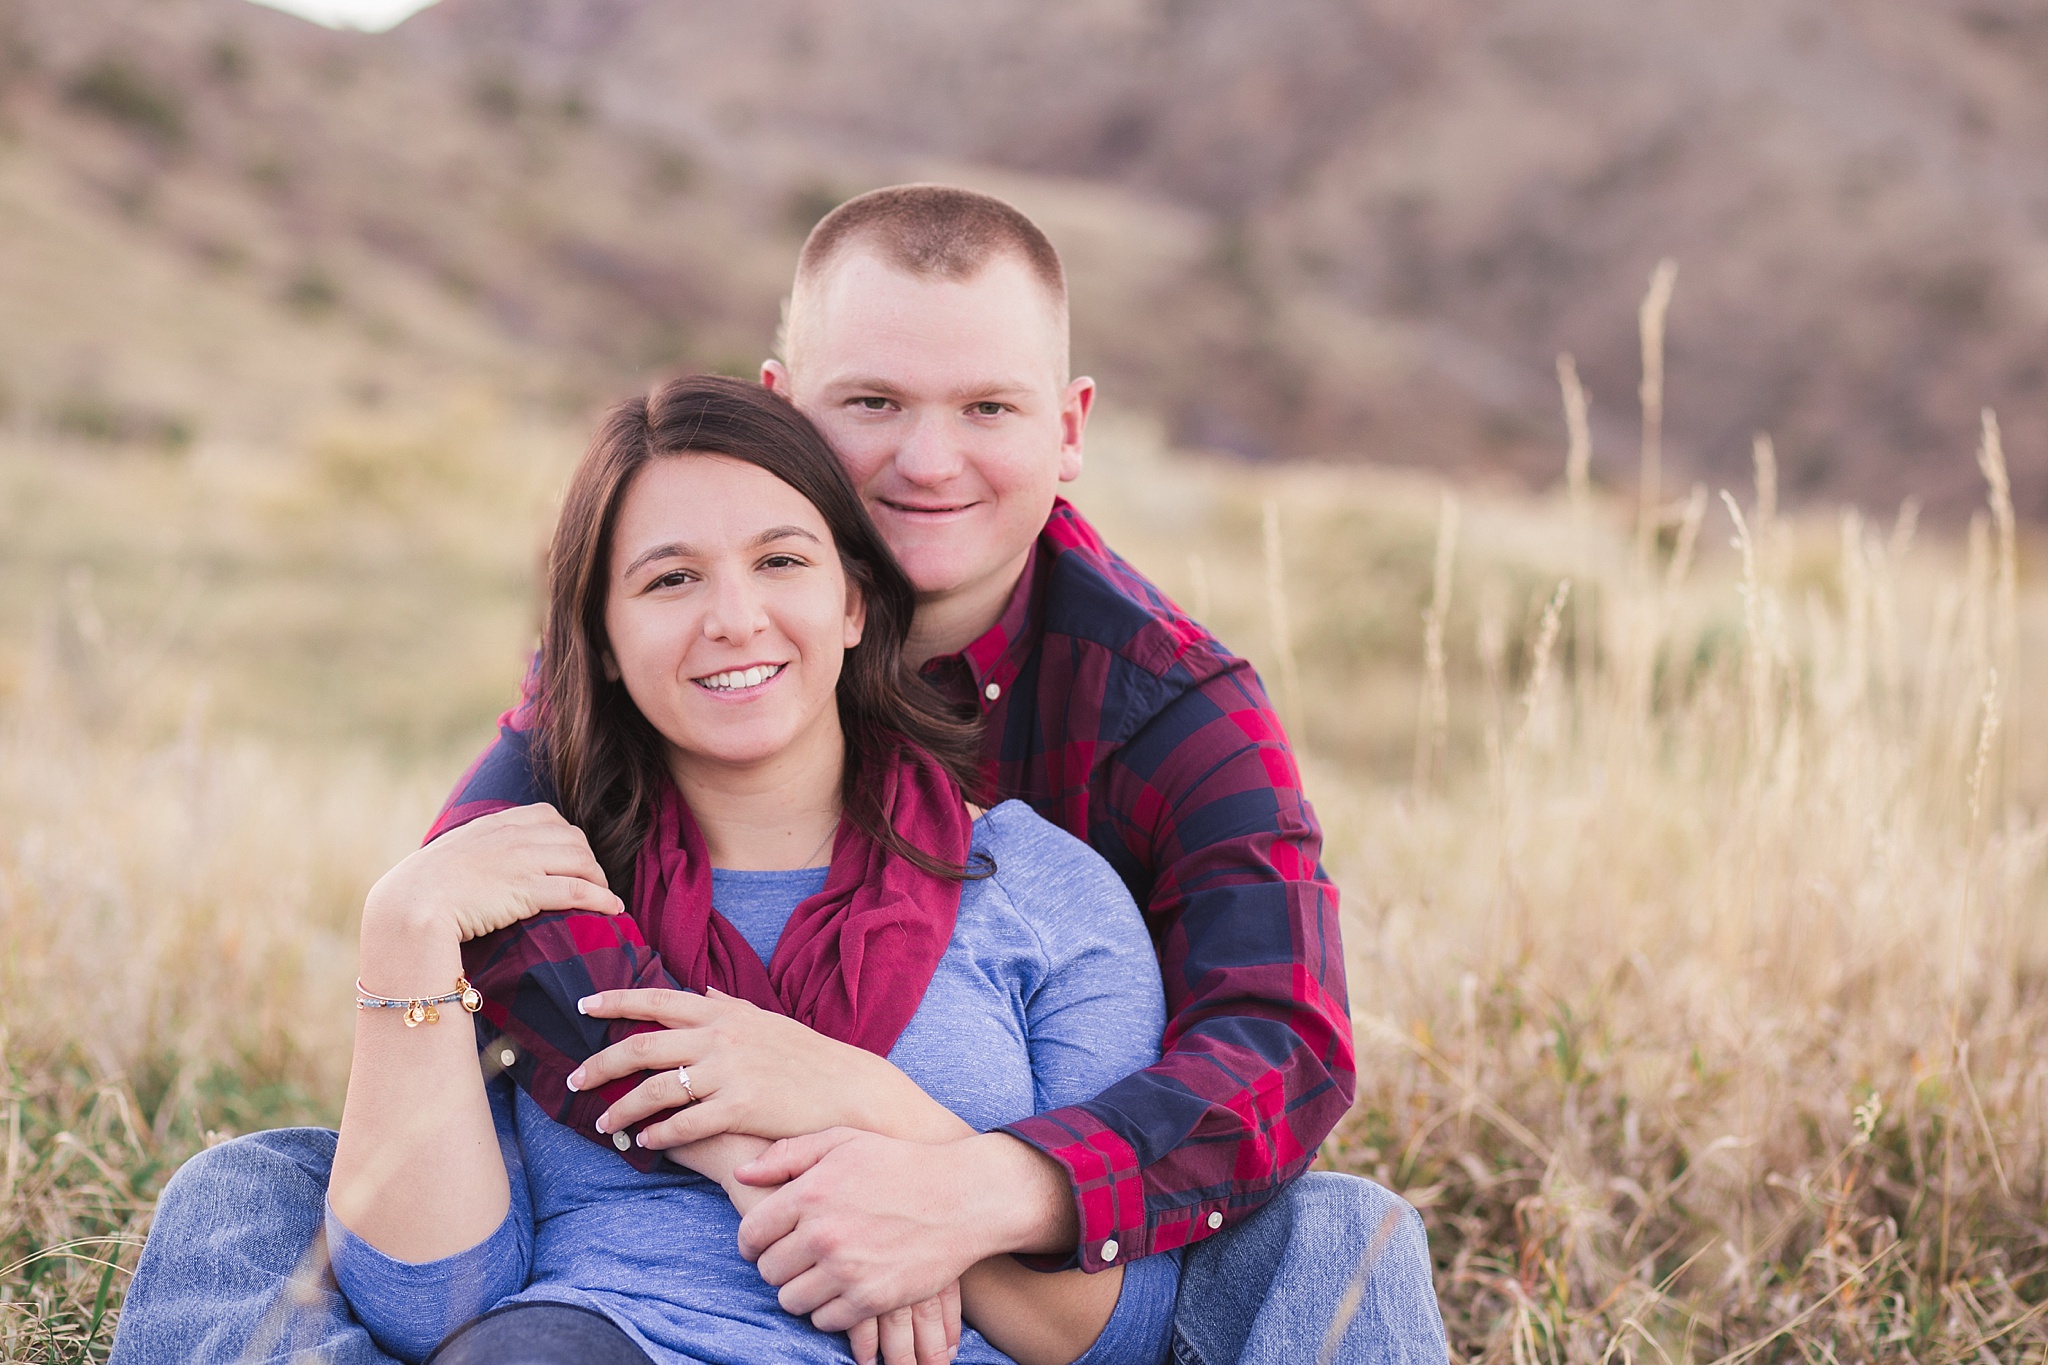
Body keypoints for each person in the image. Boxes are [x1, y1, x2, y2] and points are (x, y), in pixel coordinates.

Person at [111, 186, 1448, 1365]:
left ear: (1068, 425)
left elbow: (1276, 1043)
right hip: (621, 1270)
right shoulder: (658, 653)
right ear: (782, 407)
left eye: (987, 407)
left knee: (1344, 1236)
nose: (928, 462)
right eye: (870, 403)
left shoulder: (1164, 713)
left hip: (1052, 1220)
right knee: (252, 1195)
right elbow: (488, 889)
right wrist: (759, 1129)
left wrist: (960, 1183)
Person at [320, 374, 1180, 1364]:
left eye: (779, 560)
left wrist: (863, 1111)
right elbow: (432, 1309)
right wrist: (402, 942)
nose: (734, 618)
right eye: (669, 579)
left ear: (855, 600)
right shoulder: (536, 905)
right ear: (598, 639)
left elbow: (1113, 1332)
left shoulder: (1042, 894)